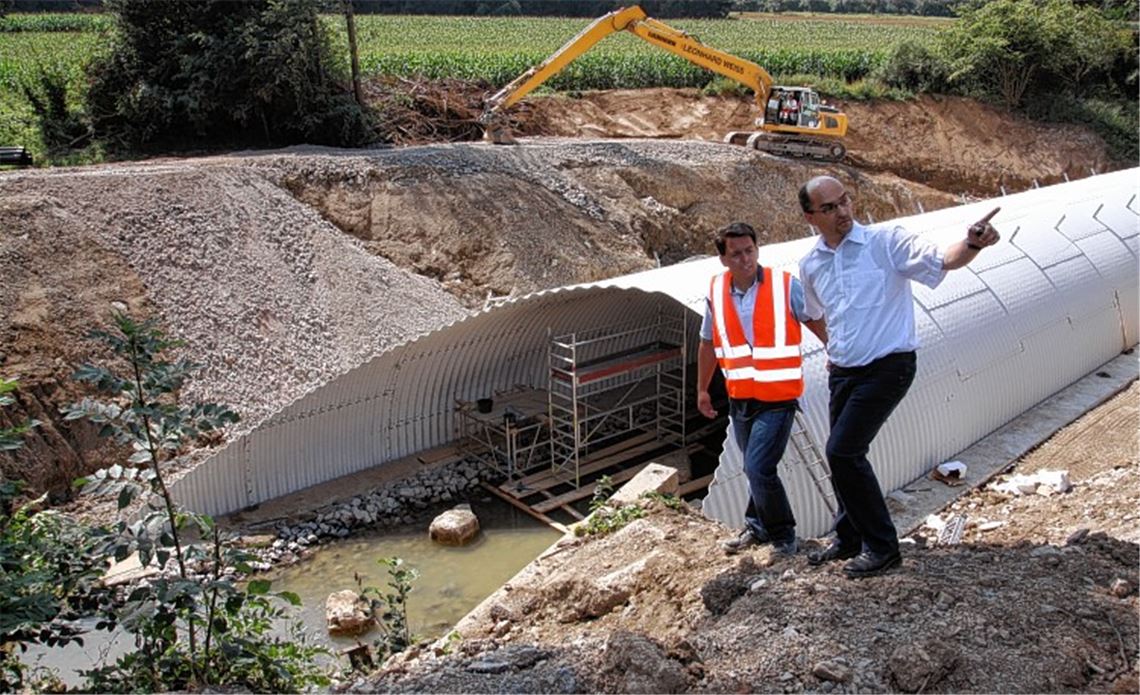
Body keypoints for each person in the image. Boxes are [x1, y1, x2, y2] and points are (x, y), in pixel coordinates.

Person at [797, 175, 1000, 578]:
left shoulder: (885, 243)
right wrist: (833, 347)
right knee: (843, 458)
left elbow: (942, 259)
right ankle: (849, 537)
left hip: (888, 367)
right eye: (831, 207)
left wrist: (973, 243)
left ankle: (883, 548)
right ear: (810, 217)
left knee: (843, 452)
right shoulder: (812, 264)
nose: (843, 212)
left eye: (845, 201)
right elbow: (813, 312)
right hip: (843, 372)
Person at [697, 222, 827, 557]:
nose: (745, 259)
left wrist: (838, 353)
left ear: (757, 249)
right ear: (723, 259)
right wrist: (703, 390)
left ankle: (783, 536)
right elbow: (708, 342)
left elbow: (815, 319)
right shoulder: (715, 291)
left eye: (750, 251)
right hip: (740, 398)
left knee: (758, 467)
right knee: (753, 467)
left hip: (778, 397)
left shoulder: (785, 286)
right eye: (736, 254)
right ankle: (756, 527)